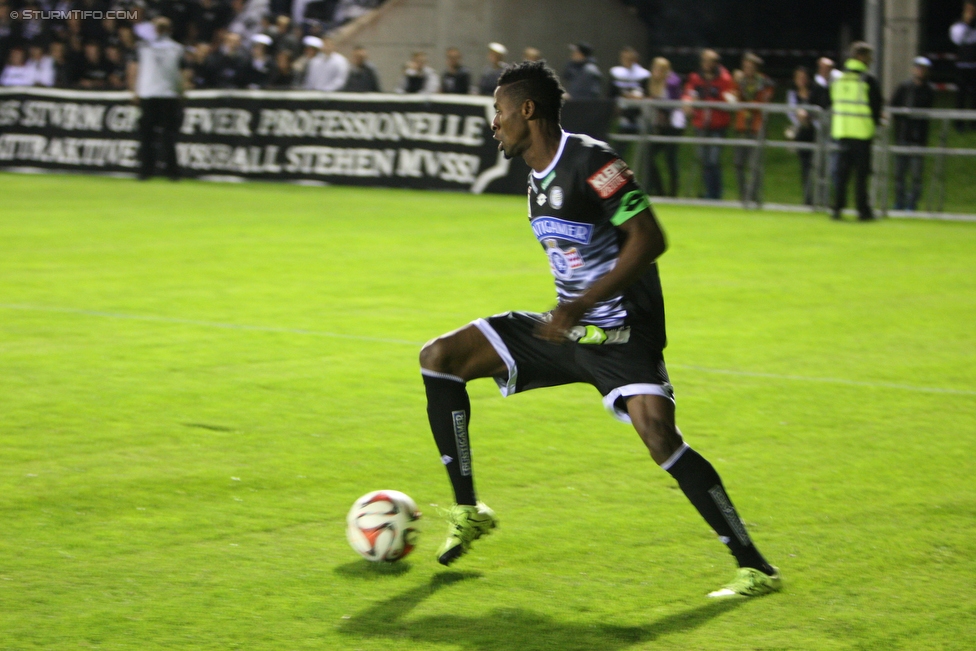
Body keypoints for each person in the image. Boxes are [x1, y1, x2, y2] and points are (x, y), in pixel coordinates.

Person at [419, 60, 782, 599]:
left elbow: (649, 238)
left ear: (527, 109)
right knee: (439, 357)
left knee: (660, 437)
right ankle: (468, 510)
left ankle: (754, 567)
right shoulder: (534, 178)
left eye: (498, 111)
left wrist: (583, 303)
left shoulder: (595, 162)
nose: (493, 123)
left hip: (620, 337)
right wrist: (569, 312)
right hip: (563, 332)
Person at [831, 41, 882, 221]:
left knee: (842, 175)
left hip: (842, 132)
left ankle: (836, 209)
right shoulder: (868, 81)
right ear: (860, 57)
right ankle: (863, 211)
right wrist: (875, 124)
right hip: (861, 134)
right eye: (869, 56)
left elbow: (833, 102)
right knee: (861, 176)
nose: (871, 60)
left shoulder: (838, 79)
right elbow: (876, 108)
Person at [131, 17, 184, 181]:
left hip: (148, 93)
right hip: (169, 95)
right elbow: (179, 73)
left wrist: (135, 91)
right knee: (169, 135)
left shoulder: (143, 47)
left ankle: (146, 171)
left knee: (147, 135)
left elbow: (135, 69)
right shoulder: (177, 48)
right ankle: (172, 172)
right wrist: (181, 92)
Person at [682, 49, 736, 200]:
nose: (706, 64)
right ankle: (709, 194)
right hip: (700, 124)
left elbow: (728, 99)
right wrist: (687, 101)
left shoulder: (724, 79)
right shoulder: (695, 77)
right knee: (704, 160)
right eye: (704, 60)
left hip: (718, 125)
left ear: (716, 63)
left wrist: (706, 103)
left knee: (713, 160)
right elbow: (688, 92)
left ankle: (715, 194)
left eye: (710, 61)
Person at [889, 57, 935, 211]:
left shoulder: (929, 90)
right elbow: (893, 106)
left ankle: (911, 204)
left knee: (916, 176)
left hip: (918, 138)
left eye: (923, 68)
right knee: (899, 174)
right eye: (918, 67)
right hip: (903, 136)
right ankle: (899, 202)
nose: (920, 71)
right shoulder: (904, 87)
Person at [732, 53, 774, 203]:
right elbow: (733, 96)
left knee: (755, 164)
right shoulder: (739, 82)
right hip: (742, 126)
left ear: (756, 68)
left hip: (756, 127)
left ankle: (754, 196)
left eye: (750, 66)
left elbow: (764, 102)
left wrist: (749, 105)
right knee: (738, 163)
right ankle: (743, 196)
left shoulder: (765, 83)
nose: (747, 69)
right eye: (745, 67)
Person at [645, 56, 683, 197]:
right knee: (649, 156)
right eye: (655, 68)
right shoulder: (653, 81)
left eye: (660, 69)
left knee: (670, 158)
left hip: (674, 124)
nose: (656, 71)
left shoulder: (672, 81)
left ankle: (673, 193)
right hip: (661, 124)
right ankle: (659, 190)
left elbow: (672, 103)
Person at [786, 66, 818, 205]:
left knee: (817, 167)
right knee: (805, 167)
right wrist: (800, 120)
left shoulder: (814, 93)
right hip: (801, 133)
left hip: (815, 132)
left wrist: (809, 119)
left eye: (804, 77)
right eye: (799, 77)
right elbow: (791, 112)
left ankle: (819, 198)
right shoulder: (792, 94)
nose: (802, 80)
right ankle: (808, 199)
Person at [608, 46, 649, 133]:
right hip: (619, 110)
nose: (627, 60)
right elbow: (610, 93)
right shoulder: (615, 73)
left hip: (637, 111)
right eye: (624, 58)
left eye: (630, 58)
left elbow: (646, 93)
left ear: (635, 59)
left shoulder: (644, 75)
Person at [950, 0, 976, 131]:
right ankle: (959, 123)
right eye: (969, 10)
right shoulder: (958, 25)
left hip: (974, 65)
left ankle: (973, 123)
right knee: (961, 97)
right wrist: (966, 24)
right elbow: (957, 39)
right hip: (962, 66)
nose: (971, 13)